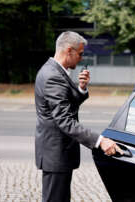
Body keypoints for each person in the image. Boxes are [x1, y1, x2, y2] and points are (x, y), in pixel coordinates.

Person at [34, 31, 122, 202]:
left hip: (58, 154)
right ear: (69, 50)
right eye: (80, 53)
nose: (81, 58)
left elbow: (66, 107)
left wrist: (81, 88)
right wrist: (100, 141)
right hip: (55, 153)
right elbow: (65, 120)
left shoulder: (56, 71)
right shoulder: (53, 76)